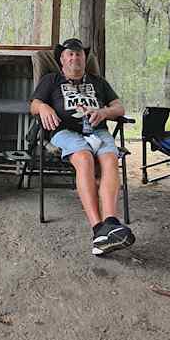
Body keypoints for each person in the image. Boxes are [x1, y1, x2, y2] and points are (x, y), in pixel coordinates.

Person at [30, 38, 133, 256]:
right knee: (84, 159)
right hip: (65, 133)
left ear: (85, 59)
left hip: (98, 131)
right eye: (70, 54)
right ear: (62, 59)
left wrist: (104, 112)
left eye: (79, 54)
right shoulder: (51, 80)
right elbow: (33, 105)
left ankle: (111, 223)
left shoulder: (99, 81)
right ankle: (98, 229)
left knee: (110, 159)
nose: (75, 57)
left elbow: (119, 107)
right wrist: (44, 106)